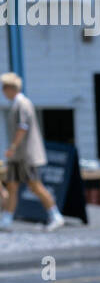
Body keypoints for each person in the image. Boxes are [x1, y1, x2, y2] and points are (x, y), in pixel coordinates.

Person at [1, 73, 62, 231]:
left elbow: (23, 128)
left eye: (4, 88)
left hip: (27, 155)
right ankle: (6, 219)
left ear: (11, 88)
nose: (2, 91)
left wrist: (13, 146)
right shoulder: (15, 104)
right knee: (12, 186)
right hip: (17, 156)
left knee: (35, 186)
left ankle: (55, 215)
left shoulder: (23, 104)